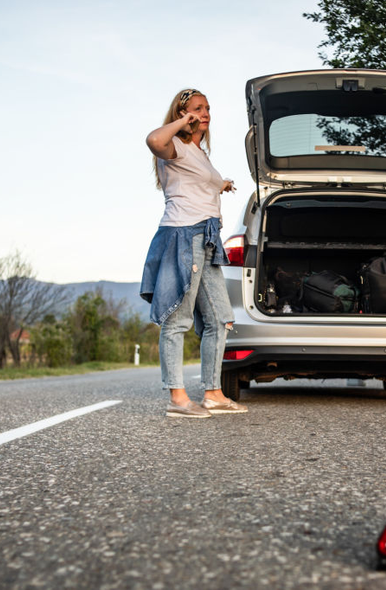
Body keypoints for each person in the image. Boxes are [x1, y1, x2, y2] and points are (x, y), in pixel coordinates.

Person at [140, 88, 248, 418]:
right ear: (181, 113)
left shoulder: (199, 153)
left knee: (220, 319)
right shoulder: (175, 145)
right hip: (183, 236)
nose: (204, 114)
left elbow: (200, 183)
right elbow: (153, 140)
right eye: (197, 109)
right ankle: (177, 397)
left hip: (207, 239)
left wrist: (222, 184)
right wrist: (181, 122)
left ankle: (213, 394)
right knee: (178, 319)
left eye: (207, 108)